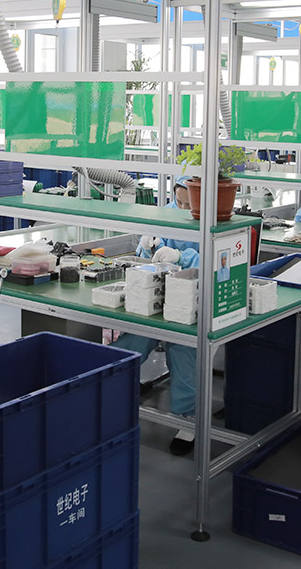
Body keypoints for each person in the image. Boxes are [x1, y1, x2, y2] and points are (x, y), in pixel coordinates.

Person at [120, 179, 199, 456]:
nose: (183, 208)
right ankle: (111, 393)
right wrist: (146, 246)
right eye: (179, 202)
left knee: (183, 349)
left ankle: (187, 419)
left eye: (190, 204)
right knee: (134, 339)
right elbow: (146, 259)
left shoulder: (215, 219)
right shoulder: (166, 214)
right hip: (157, 295)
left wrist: (183, 257)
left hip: (194, 301)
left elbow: (218, 264)